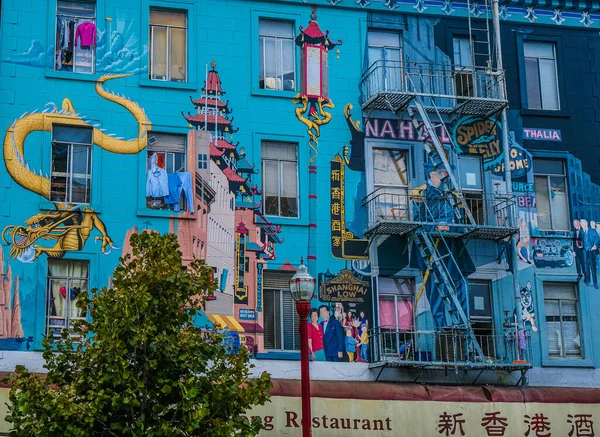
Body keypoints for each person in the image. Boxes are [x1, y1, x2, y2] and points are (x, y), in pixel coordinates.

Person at [411, 162, 475, 330]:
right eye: (442, 173)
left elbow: (460, 220)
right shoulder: (419, 193)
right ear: (433, 174)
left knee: (461, 285)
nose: (446, 176)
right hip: (430, 249)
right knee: (435, 292)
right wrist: (434, 228)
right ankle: (441, 331)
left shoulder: (452, 194)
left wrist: (451, 227)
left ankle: (464, 327)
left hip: (453, 249)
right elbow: (415, 223)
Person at [581, 219, 598, 288]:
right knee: (586, 267)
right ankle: (588, 281)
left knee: (593, 268)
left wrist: (595, 245)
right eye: (582, 224)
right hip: (585, 251)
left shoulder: (592, 230)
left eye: (584, 224)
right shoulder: (581, 232)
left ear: (586, 223)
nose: (583, 225)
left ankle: (595, 283)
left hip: (592, 251)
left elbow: (597, 238)